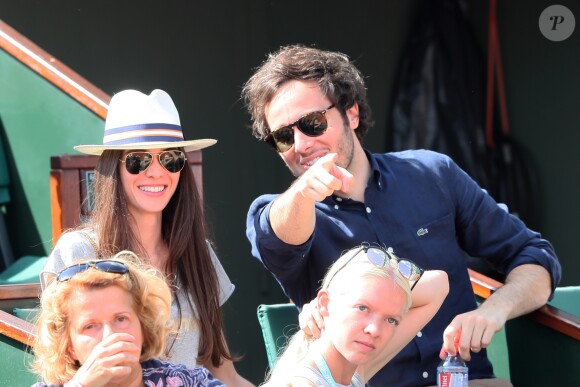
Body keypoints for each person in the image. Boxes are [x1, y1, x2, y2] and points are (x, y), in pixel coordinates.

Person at [241, 45, 561, 386]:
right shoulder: (280, 213)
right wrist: (305, 192)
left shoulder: (431, 173)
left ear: (351, 114)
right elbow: (276, 233)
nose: (301, 144)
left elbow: (536, 258)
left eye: (312, 123)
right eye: (283, 137)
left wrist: (494, 310)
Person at [41, 89, 253, 386]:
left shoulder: (199, 253)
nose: (156, 172)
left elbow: (223, 372)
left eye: (170, 158)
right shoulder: (78, 252)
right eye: (138, 160)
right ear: (113, 167)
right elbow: (57, 370)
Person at [262, 244, 449, 386]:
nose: (375, 329)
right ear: (325, 303)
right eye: (362, 308)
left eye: (391, 319)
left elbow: (439, 285)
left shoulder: (351, 372)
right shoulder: (305, 381)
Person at [32, 251, 225, 387]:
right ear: (70, 347)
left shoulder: (187, 382)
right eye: (90, 326)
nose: (110, 336)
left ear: (143, 329)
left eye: (121, 319)